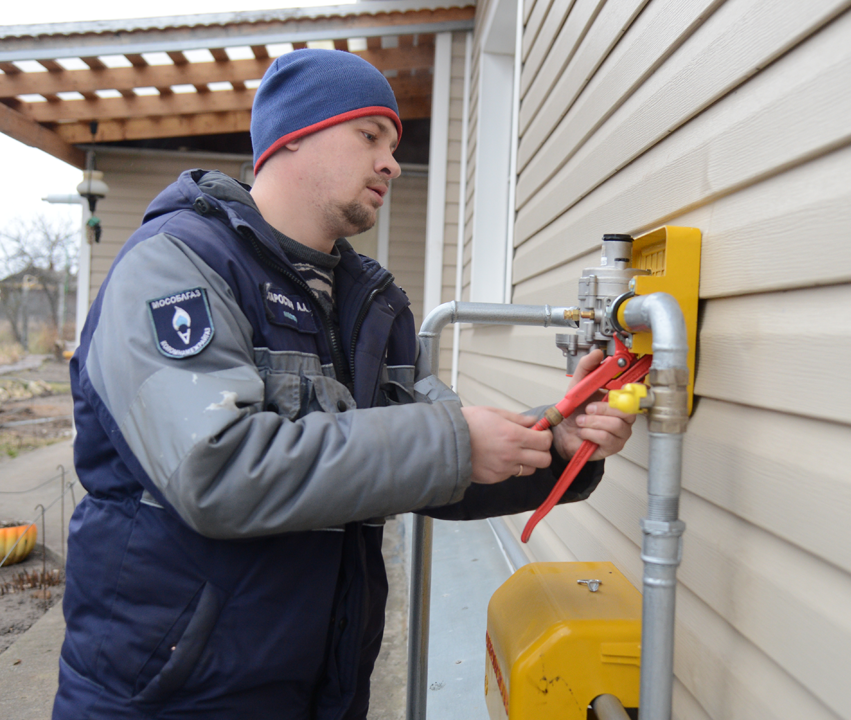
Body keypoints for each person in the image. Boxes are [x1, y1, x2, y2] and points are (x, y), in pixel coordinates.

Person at [54, 49, 635, 719]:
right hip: (174, 695)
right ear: (291, 134)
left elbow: (431, 456)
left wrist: (558, 441)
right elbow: (218, 470)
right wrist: (449, 444)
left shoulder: (368, 303)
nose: (391, 160)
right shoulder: (177, 268)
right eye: (370, 136)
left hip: (320, 687)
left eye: (394, 143)